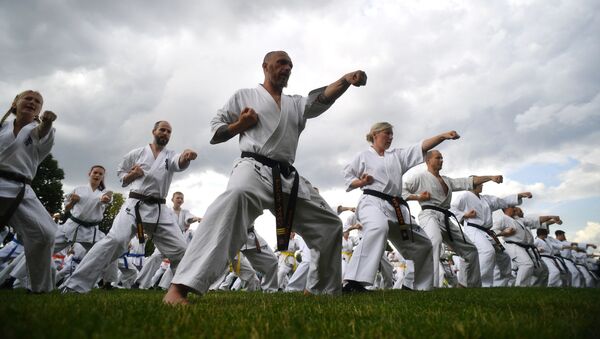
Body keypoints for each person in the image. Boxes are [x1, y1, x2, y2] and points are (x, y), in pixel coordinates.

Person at [164, 51, 367, 304]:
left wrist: (345, 80)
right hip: (253, 167)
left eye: (290, 65)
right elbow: (216, 132)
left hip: (286, 176)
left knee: (330, 225)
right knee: (234, 199)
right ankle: (178, 288)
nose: (287, 68)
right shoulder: (245, 96)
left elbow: (322, 97)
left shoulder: (295, 103)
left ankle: (320, 292)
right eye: (282, 63)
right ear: (265, 66)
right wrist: (240, 124)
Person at [61, 121, 197, 293]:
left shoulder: (170, 155)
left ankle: (179, 291)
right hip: (134, 205)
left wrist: (186, 157)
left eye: (169, 132)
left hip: (159, 209)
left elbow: (180, 163)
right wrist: (133, 174)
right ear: (154, 131)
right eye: (162, 130)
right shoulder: (137, 153)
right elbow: (121, 176)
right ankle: (75, 286)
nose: (165, 133)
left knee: (181, 250)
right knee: (115, 241)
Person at [341, 122, 460, 292]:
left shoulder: (397, 156)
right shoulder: (363, 157)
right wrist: (362, 181)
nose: (390, 137)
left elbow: (421, 146)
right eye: (386, 133)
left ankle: (414, 285)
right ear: (375, 134)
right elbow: (348, 177)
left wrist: (442, 136)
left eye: (392, 135)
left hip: (395, 206)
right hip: (372, 202)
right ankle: (353, 283)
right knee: (378, 227)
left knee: (424, 244)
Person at [403, 149, 503, 287]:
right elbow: (401, 191)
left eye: (442, 158)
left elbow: (467, 182)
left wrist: (490, 177)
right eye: (438, 158)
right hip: (429, 214)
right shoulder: (419, 177)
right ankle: (428, 286)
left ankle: (470, 286)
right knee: (435, 242)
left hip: (445, 217)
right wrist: (418, 197)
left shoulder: (446, 180)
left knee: (470, 250)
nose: (441, 160)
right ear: (428, 160)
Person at [0, 90, 57, 293]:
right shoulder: (2, 126)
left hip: (21, 189)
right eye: (28, 98)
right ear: (15, 103)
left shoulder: (39, 130)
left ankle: (39, 289)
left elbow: (42, 132)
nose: (32, 102)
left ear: (40, 110)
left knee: (45, 234)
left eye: (37, 102)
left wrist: (48, 123)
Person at [451, 183, 531, 287]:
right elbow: (452, 209)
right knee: (487, 251)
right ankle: (478, 283)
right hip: (473, 228)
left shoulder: (486, 199)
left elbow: (502, 201)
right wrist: (464, 215)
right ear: (473, 184)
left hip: (485, 231)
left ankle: (500, 284)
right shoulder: (465, 196)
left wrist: (519, 195)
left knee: (504, 257)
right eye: (480, 183)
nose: (482, 185)